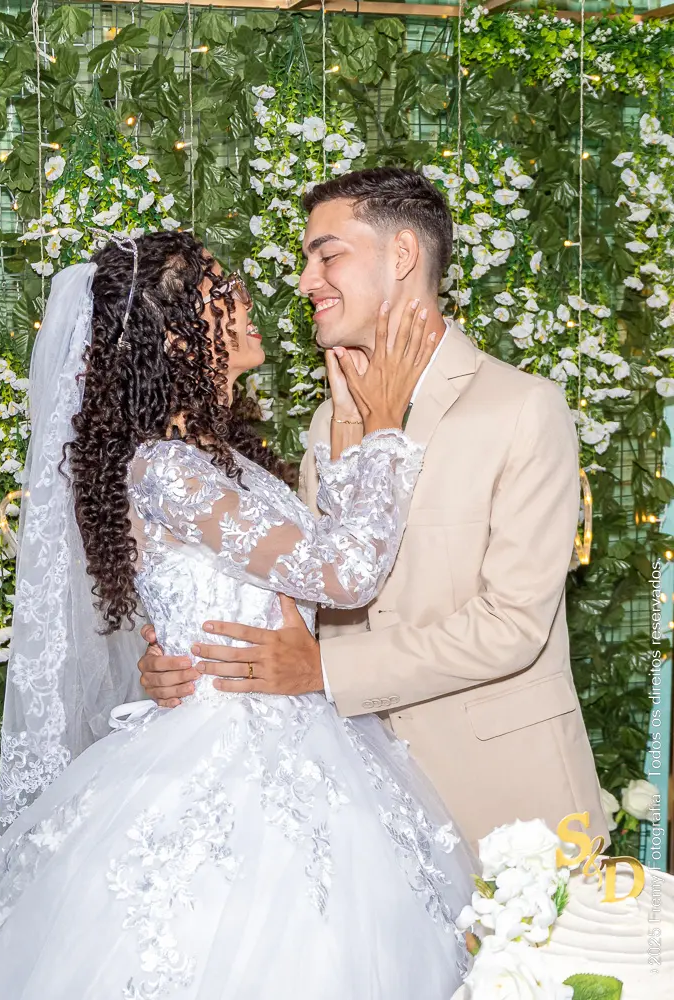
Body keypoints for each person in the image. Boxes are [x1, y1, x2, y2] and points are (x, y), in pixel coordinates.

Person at [0, 231, 473, 1000]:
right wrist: (386, 430)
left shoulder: (220, 460)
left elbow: (309, 565)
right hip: (226, 751)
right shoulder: (166, 468)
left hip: (301, 727)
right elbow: (343, 575)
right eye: (221, 294)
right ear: (175, 335)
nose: (246, 299)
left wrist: (349, 429)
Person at [137, 167, 609, 849]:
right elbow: (302, 591)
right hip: (356, 807)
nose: (306, 281)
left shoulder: (520, 409)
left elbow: (511, 625)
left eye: (326, 255)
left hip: (505, 802)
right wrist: (184, 661)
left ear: (402, 255)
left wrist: (325, 671)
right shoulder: (327, 421)